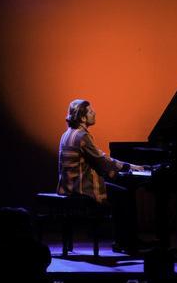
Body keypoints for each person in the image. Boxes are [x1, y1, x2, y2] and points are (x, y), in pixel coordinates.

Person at [57, 98, 148, 254]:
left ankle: (123, 241)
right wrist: (130, 167)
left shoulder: (67, 134)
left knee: (120, 193)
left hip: (67, 186)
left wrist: (115, 170)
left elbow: (99, 160)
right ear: (83, 117)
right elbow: (102, 161)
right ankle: (128, 243)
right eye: (91, 111)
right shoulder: (82, 136)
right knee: (124, 196)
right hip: (81, 187)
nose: (94, 113)